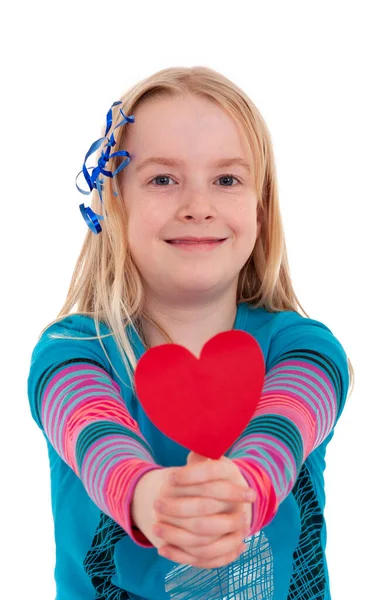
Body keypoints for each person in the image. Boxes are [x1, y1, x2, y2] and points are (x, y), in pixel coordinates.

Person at [27, 65, 355, 600]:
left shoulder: (307, 350)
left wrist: (242, 489)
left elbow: (287, 425)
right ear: (115, 205)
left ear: (260, 209)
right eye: (163, 179)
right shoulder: (71, 355)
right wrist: (146, 495)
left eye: (226, 180)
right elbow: (91, 432)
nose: (197, 207)